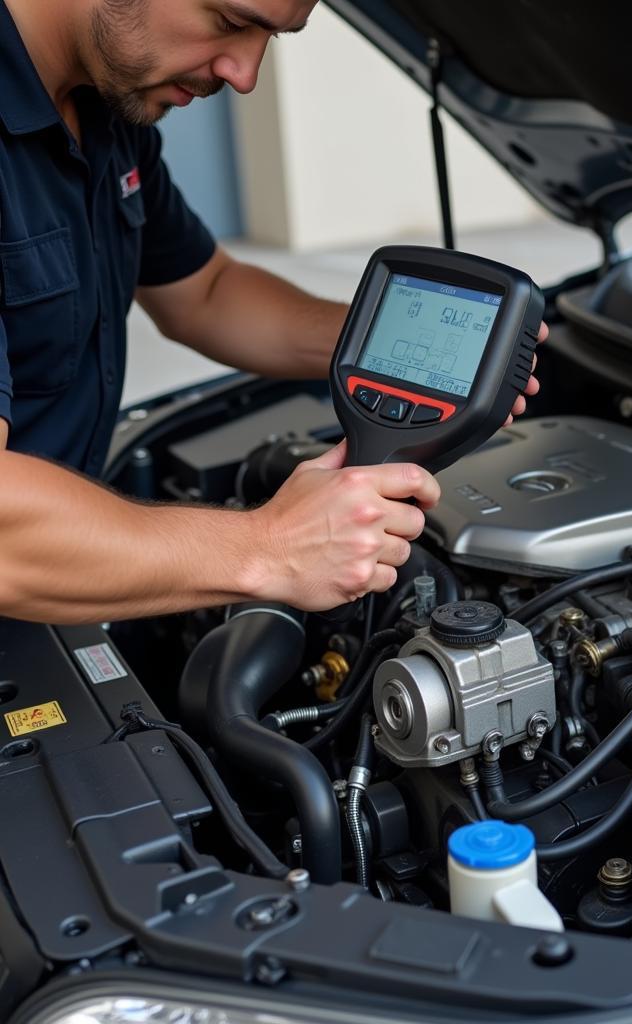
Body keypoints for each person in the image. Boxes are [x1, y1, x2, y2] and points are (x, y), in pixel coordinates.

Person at [0, 0, 544, 625]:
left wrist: (401, 347)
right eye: (230, 22)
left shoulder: (104, 102)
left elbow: (205, 293)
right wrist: (272, 548)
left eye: (272, 38)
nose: (244, 74)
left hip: (63, 590)